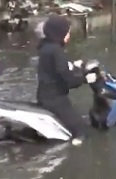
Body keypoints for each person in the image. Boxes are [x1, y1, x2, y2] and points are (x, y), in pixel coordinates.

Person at [36, 16, 97, 145]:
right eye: (67, 32)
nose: (69, 35)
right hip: (55, 99)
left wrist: (72, 65)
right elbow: (69, 81)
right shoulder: (56, 50)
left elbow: (53, 68)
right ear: (59, 33)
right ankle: (76, 152)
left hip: (44, 95)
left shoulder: (45, 46)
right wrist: (85, 79)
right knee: (81, 129)